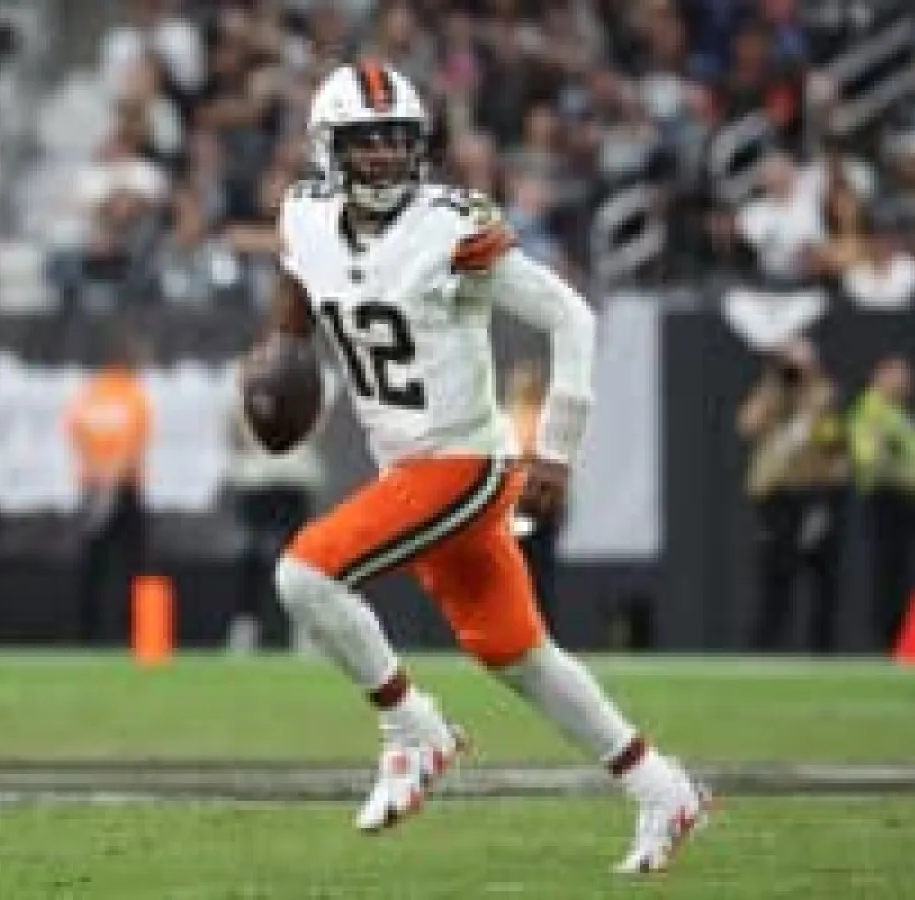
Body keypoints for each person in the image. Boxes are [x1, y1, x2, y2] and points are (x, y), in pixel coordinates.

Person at [247, 61, 706, 875]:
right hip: (407, 469)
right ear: (330, 150)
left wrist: (556, 448)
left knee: (305, 576)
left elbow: (571, 315)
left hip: (462, 462)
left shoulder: (449, 227)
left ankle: (411, 727)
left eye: (399, 140)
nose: (387, 156)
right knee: (517, 654)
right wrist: (280, 352)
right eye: (368, 142)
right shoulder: (308, 218)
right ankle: (662, 789)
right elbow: (297, 290)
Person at [737, 337, 849, 652]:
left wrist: (811, 403)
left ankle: (821, 649)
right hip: (777, 496)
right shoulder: (771, 393)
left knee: (823, 576)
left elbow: (833, 441)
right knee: (774, 574)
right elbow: (747, 425)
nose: (796, 371)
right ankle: (766, 647)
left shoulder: (825, 395)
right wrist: (776, 387)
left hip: (814, 492)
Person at [224, 390, 325, 654]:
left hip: (294, 478)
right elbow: (235, 426)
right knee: (252, 557)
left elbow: (314, 424)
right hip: (256, 480)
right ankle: (244, 632)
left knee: (300, 558)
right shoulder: (243, 377)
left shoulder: (309, 375)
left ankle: (303, 632)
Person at [66, 339, 152, 644]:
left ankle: (86, 633)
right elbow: (133, 445)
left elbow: (75, 436)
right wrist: (113, 482)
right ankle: (134, 633)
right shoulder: (133, 396)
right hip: (123, 489)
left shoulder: (89, 395)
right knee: (134, 565)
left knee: (92, 566)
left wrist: (99, 477)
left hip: (93, 487)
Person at [848, 357, 915, 648]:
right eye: (899, 377)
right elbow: (868, 457)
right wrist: (888, 456)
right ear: (880, 378)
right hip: (886, 498)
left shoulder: (902, 411)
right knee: (887, 574)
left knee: (901, 573)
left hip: (909, 500)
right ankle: (887, 637)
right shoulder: (872, 410)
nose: (906, 383)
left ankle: (901, 635)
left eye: (908, 377)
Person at [504, 359, 562, 629]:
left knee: (532, 573)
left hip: (532, 506)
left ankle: (534, 628)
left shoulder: (534, 419)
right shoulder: (520, 417)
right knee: (523, 572)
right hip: (526, 506)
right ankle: (526, 626)